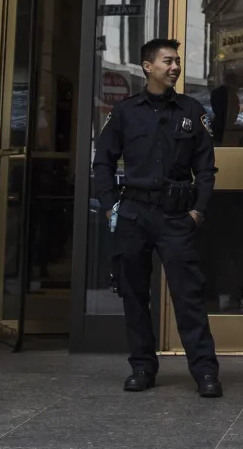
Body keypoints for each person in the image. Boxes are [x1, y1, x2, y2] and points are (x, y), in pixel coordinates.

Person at [94, 37, 222, 397]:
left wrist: (198, 211)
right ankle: (142, 367)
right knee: (134, 295)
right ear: (148, 66)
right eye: (168, 61)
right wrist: (109, 205)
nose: (175, 67)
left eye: (178, 61)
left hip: (176, 215)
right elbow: (102, 162)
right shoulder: (124, 112)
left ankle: (205, 372)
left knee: (189, 295)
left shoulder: (191, 110)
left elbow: (206, 170)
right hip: (133, 212)